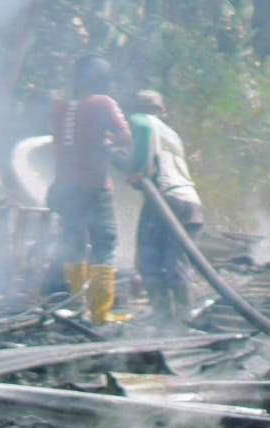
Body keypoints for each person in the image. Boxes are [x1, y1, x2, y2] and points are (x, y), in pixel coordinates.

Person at [47, 54, 131, 323]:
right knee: (104, 243)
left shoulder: (60, 107)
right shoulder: (103, 103)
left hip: (63, 185)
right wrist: (109, 143)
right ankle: (98, 313)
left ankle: (75, 305)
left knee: (73, 243)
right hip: (94, 185)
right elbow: (124, 135)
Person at [123, 90, 203, 329]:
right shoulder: (172, 134)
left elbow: (144, 129)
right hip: (191, 202)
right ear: (162, 109)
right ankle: (183, 322)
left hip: (165, 200)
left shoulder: (143, 121)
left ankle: (163, 320)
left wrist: (135, 170)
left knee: (149, 260)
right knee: (178, 262)